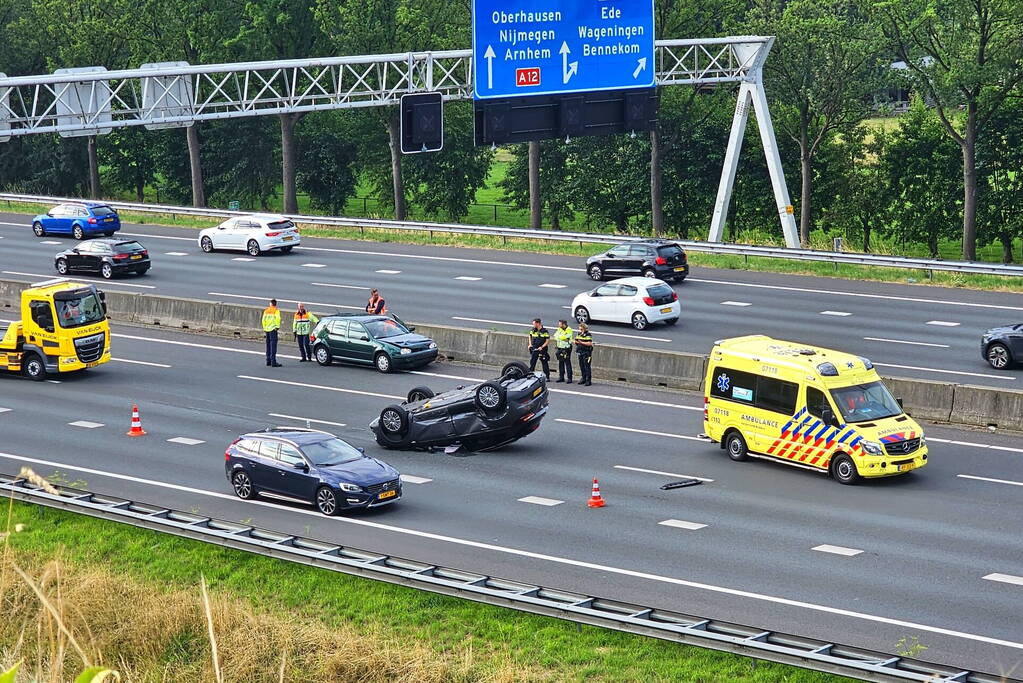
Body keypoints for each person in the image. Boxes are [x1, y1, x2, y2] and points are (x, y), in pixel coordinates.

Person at [553, 319, 574, 383]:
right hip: (560, 348)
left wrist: (561, 337)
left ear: (563, 324)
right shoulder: (560, 329)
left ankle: (569, 378)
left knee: (567, 363)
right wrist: (561, 337)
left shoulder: (569, 330)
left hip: (566, 348)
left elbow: (565, 337)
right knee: (560, 363)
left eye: (560, 324)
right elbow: (555, 336)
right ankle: (561, 377)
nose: (559, 325)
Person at [262, 298, 282, 367]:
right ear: (275, 304)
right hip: (273, 330)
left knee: (268, 346)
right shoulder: (276, 310)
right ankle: (273, 361)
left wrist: (264, 328)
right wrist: (277, 327)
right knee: (273, 346)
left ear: (270, 304)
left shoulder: (266, 310)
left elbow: (263, 320)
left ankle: (268, 360)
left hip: (267, 330)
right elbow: (278, 319)